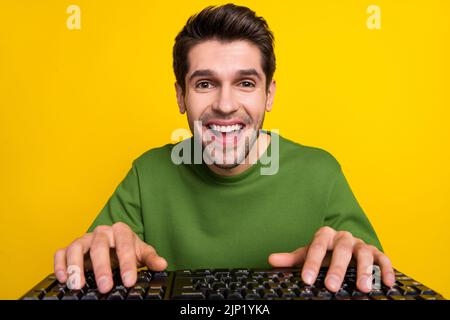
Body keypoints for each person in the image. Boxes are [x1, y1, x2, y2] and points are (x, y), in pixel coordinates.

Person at [53, 3, 395, 295]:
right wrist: (88, 264)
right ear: (180, 96)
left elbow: (377, 276)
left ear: (269, 94)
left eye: (246, 83)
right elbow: (98, 256)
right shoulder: (148, 174)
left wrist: (360, 269)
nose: (226, 104)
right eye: (205, 84)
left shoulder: (321, 173)